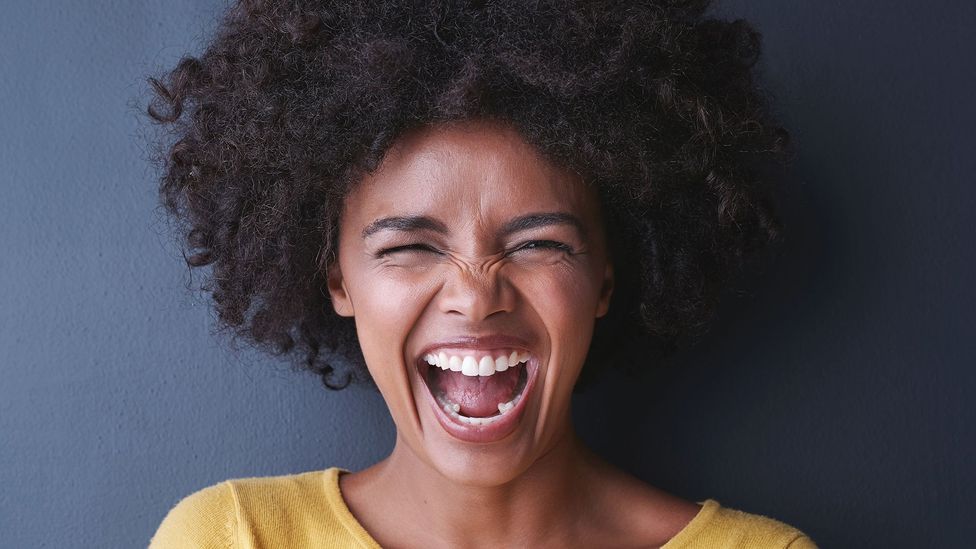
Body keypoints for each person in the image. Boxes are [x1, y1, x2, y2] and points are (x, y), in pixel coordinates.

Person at [147, 1, 816, 547]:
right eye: (410, 246)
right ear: (338, 279)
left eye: (538, 243)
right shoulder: (232, 538)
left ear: (605, 279)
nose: (475, 296)